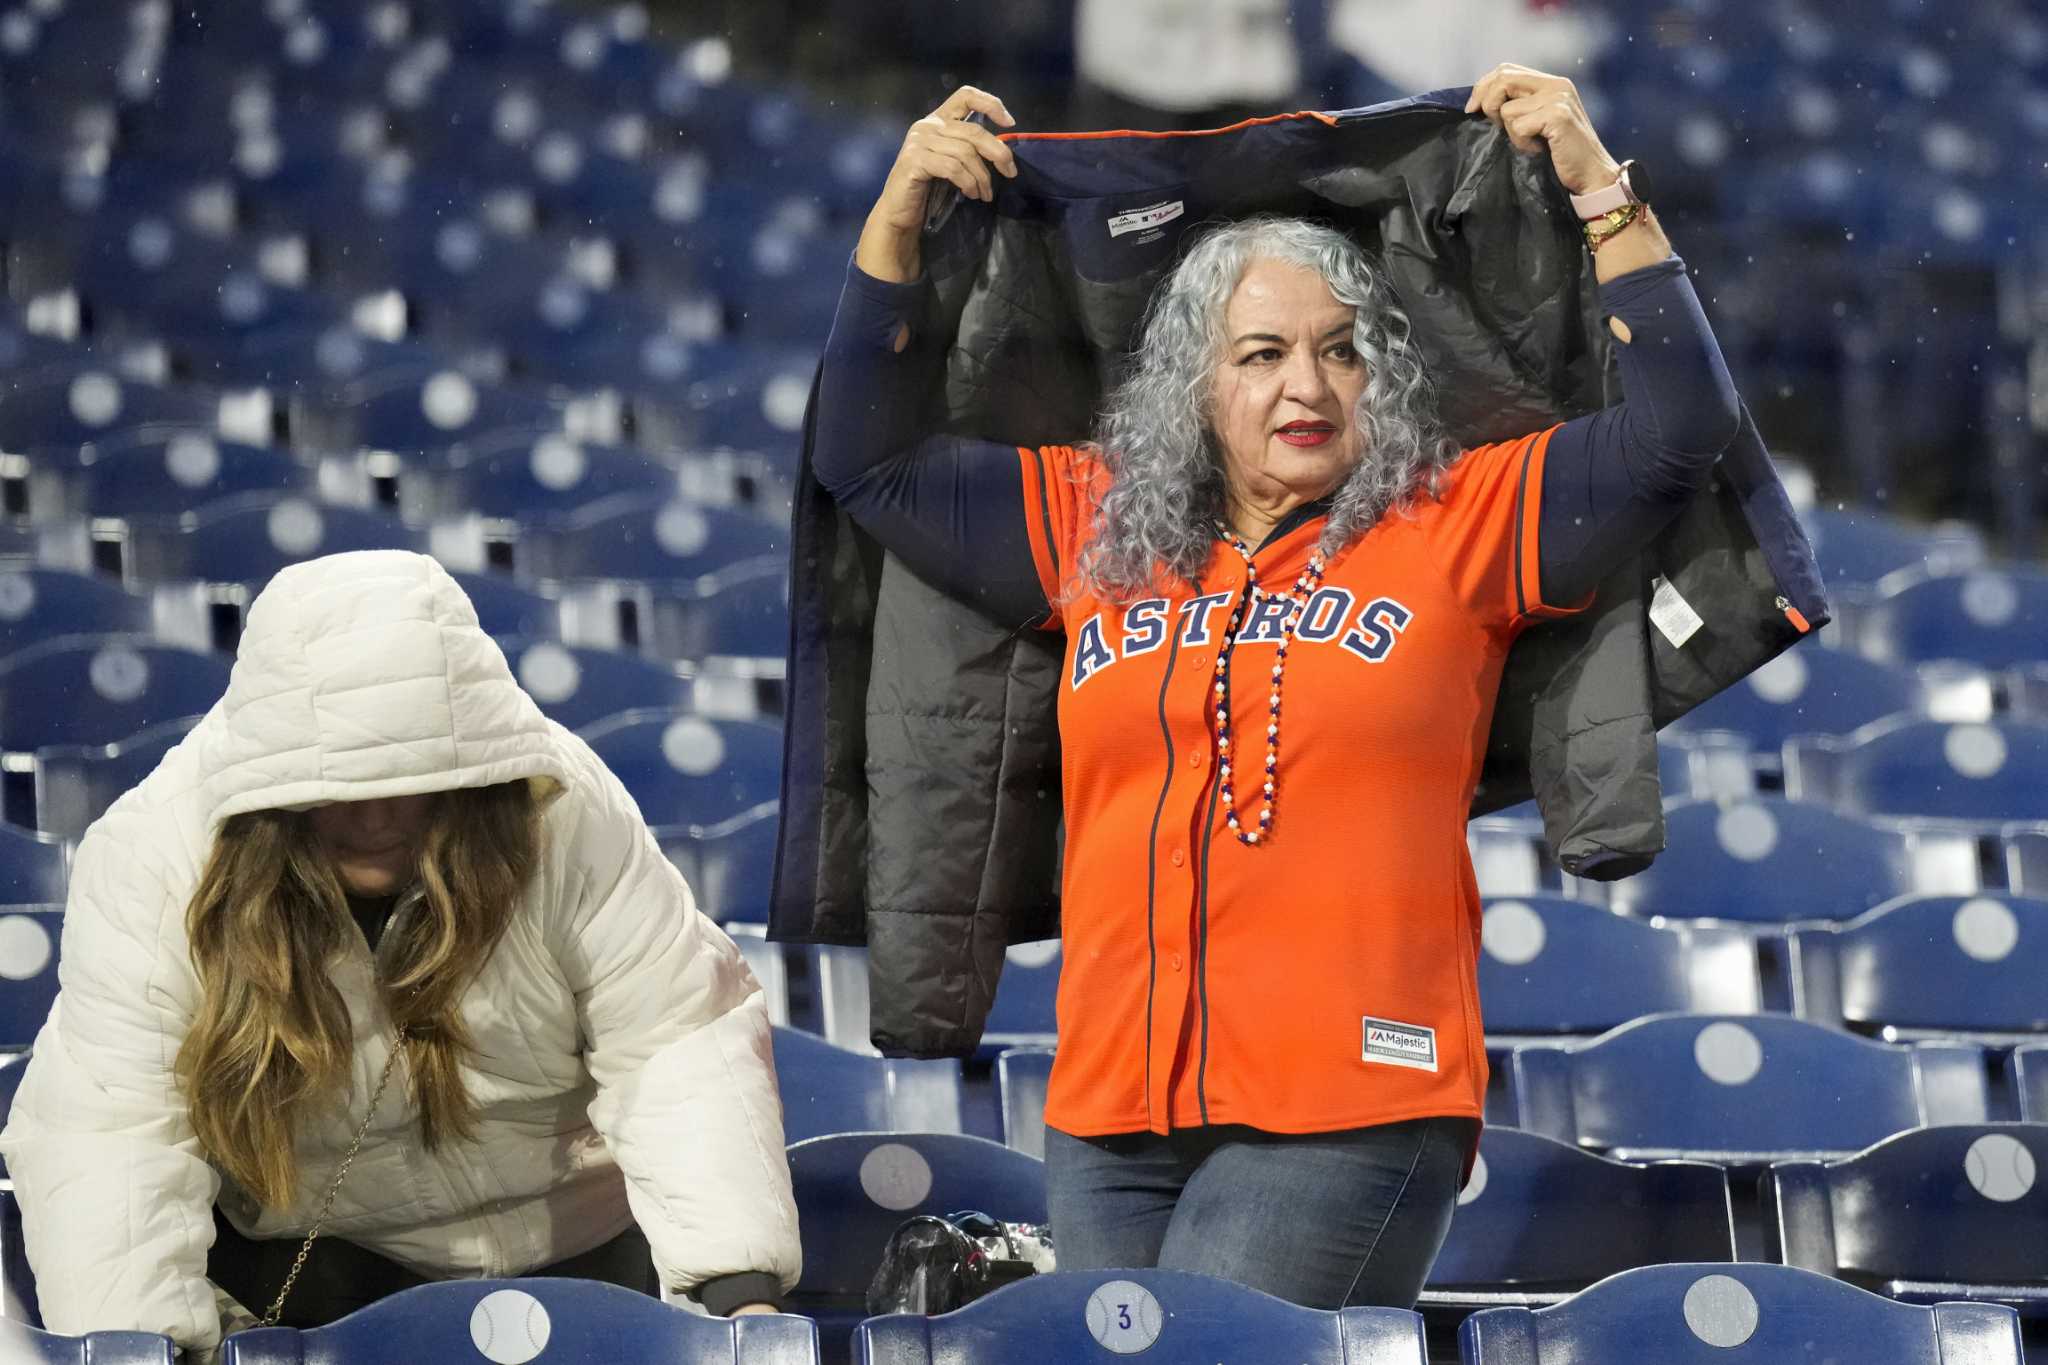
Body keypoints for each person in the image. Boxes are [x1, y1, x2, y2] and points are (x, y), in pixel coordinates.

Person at [808, 68, 1740, 1308]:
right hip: (1106, 1114)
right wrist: (894, 225)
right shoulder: (1096, 528)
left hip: (1354, 1101)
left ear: (1382, 375)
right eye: (1260, 354)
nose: (1304, 387)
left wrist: (1594, 186)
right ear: (1194, 385)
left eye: (1340, 352)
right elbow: (861, 461)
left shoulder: (1458, 519)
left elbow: (1681, 429)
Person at [0, 551, 800, 1356]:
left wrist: (738, 1295)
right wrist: (143, 1345)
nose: (374, 815)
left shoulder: (567, 812)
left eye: (409, 776)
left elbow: (676, 1042)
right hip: (316, 1274)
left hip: (579, 1248)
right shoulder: (157, 855)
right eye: (335, 786)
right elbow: (110, 1125)